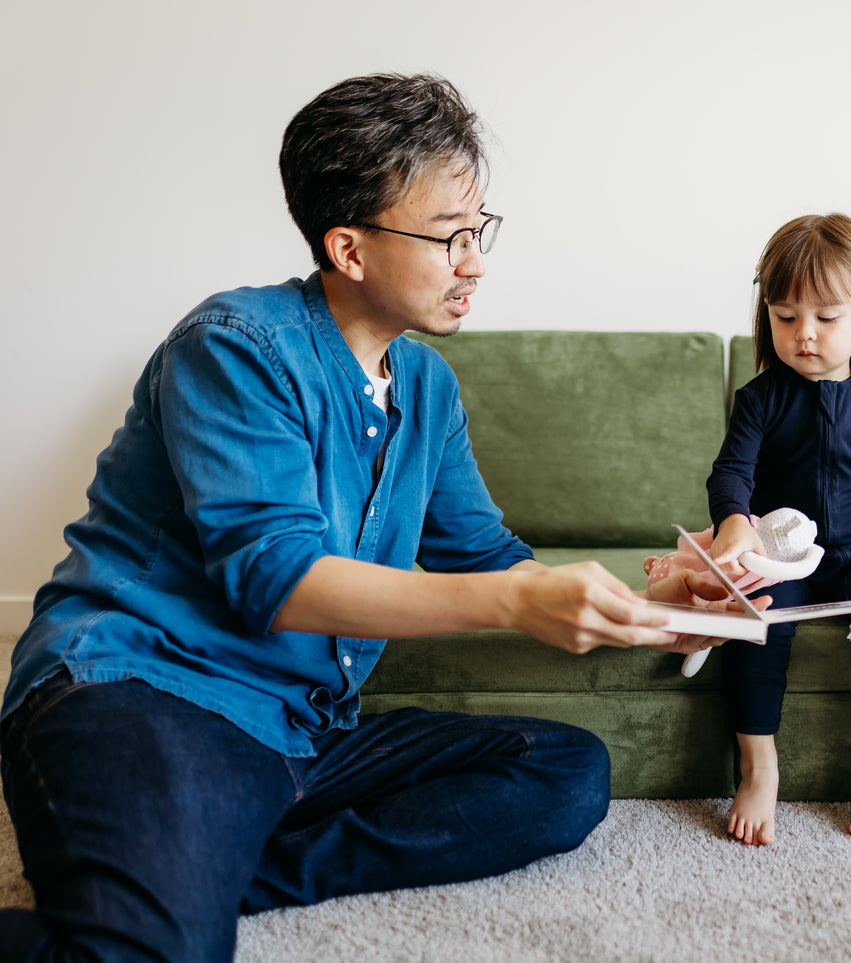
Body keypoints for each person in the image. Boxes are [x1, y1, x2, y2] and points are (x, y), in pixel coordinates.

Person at [0, 73, 731, 962]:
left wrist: (655, 608)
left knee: (562, 772)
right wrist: (512, 604)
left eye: (480, 229)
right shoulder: (234, 344)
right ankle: (163, 889)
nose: (476, 260)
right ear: (348, 249)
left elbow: (487, 556)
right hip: (151, 694)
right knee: (153, 953)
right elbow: (275, 575)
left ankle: (203, 868)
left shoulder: (426, 386)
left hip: (302, 733)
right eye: (449, 236)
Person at [705, 213, 851, 845]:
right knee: (753, 625)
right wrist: (733, 525)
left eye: (825, 318)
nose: (803, 336)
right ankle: (758, 766)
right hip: (782, 558)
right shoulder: (759, 400)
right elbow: (729, 474)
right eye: (785, 318)